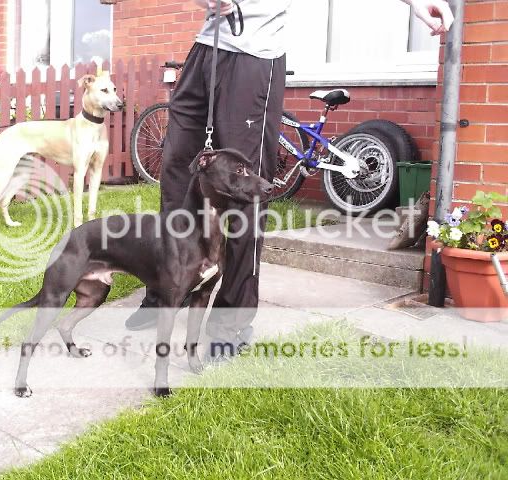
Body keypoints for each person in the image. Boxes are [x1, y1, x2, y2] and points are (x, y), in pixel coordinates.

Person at [125, 0, 454, 353]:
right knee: (177, 174)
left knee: (243, 190)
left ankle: (230, 323)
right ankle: (164, 289)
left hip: (253, 57)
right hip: (206, 48)